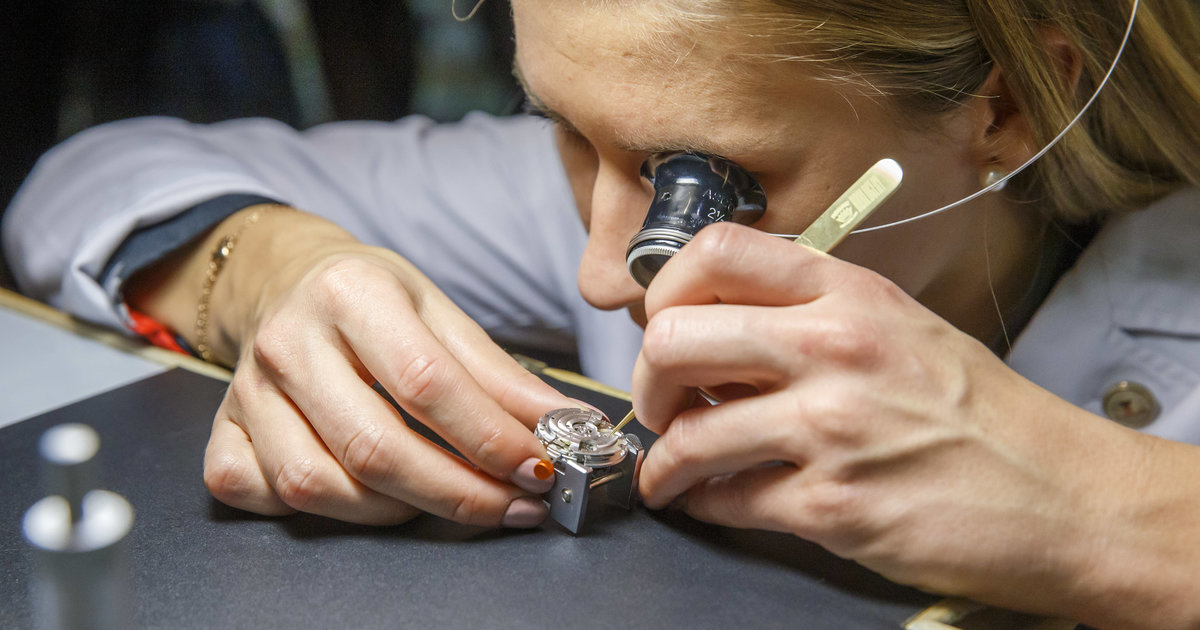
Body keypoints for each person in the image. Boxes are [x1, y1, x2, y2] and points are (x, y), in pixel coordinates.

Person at [4, 0, 1199, 626]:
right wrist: (275, 269)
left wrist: (1104, 514)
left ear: (1004, 107)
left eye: (708, 178)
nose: (598, 274)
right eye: (566, 132)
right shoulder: (596, 182)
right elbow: (84, 181)